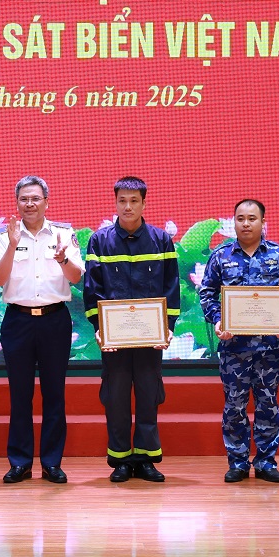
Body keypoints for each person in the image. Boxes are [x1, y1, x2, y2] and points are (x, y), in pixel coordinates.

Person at [82, 176, 179, 484]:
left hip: (151, 338)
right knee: (116, 398)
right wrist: (99, 328)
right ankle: (121, 460)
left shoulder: (161, 240)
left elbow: (171, 286)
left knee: (149, 396)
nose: (128, 206)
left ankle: (146, 459)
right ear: (115, 203)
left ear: (144, 204)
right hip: (115, 339)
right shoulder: (99, 241)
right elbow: (92, 288)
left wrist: (167, 327)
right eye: (122, 201)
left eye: (134, 201)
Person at [0, 175, 84, 484]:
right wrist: (12, 245)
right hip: (17, 321)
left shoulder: (63, 234)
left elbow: (76, 277)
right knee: (20, 395)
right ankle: (20, 462)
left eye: (35, 198)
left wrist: (63, 259)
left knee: (54, 393)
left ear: (46, 202)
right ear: (17, 203)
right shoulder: (5, 236)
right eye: (24, 199)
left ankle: (51, 463)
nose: (29, 204)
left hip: (54, 320)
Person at [198, 199, 279, 483]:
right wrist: (218, 320)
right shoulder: (220, 256)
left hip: (269, 347)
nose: (246, 224)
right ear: (234, 222)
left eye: (252, 218)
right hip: (234, 348)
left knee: (268, 404)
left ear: (263, 222)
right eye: (240, 218)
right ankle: (238, 462)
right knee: (235, 406)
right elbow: (207, 293)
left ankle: (266, 462)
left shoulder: (278, 255)